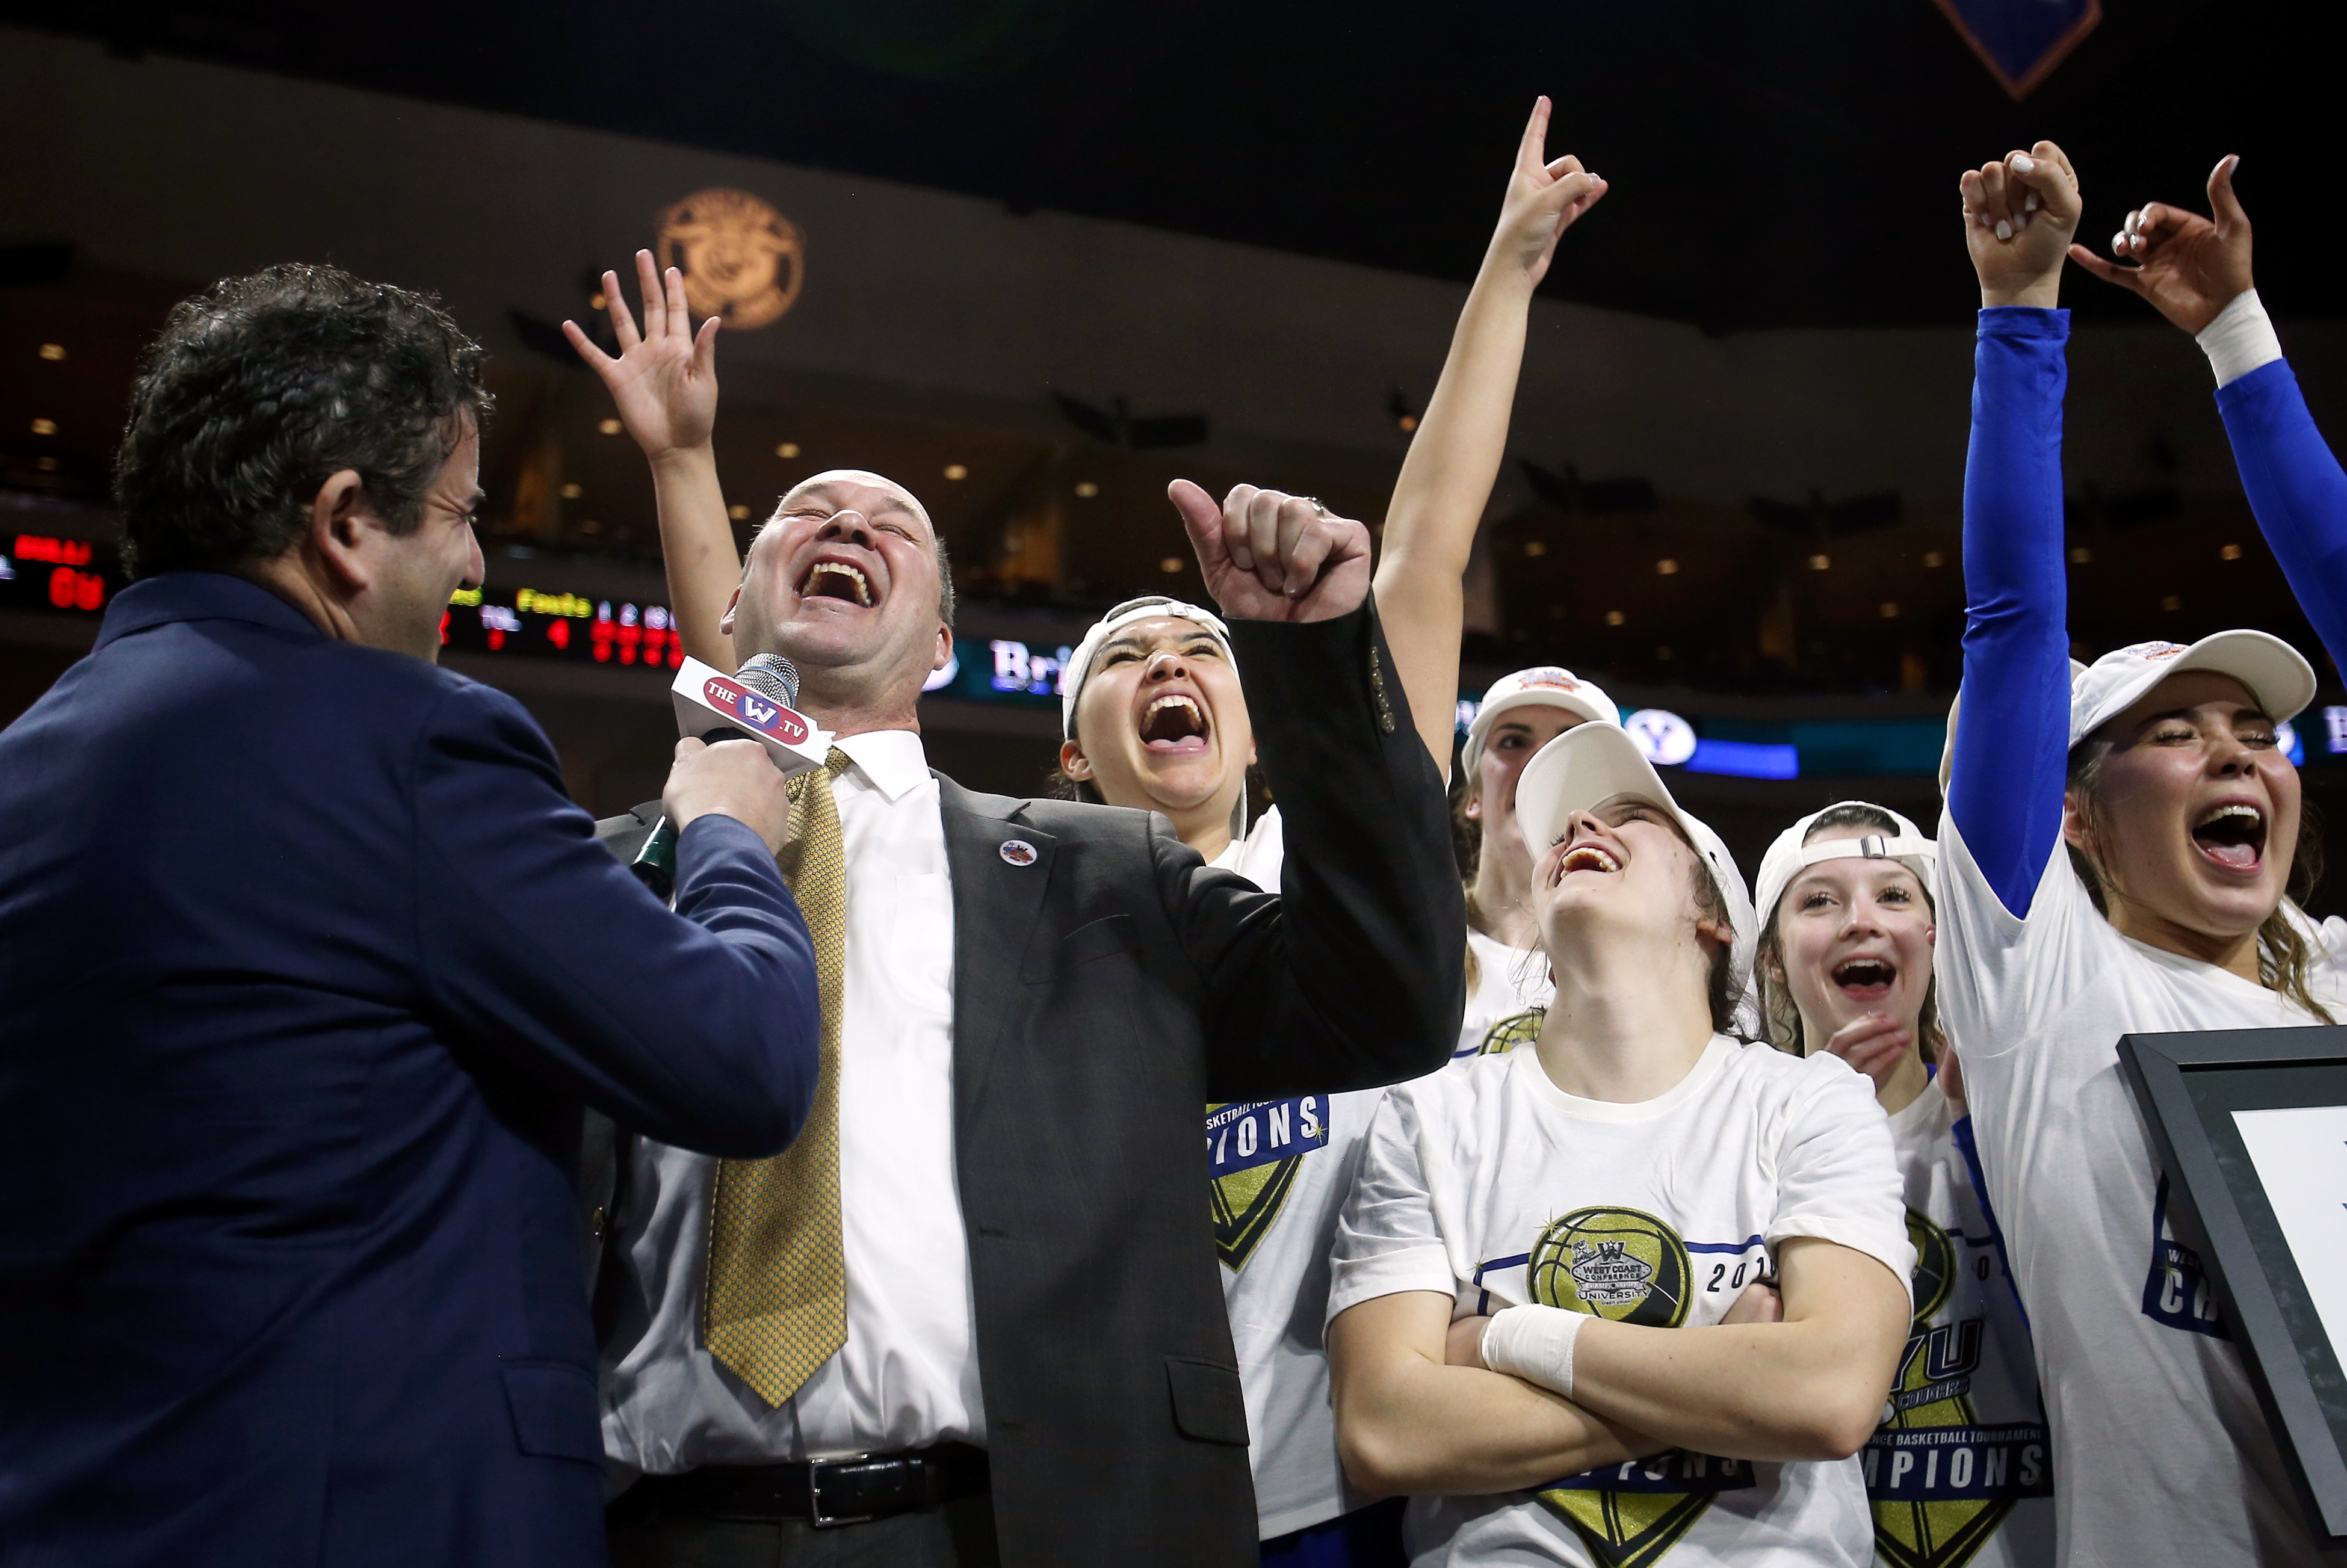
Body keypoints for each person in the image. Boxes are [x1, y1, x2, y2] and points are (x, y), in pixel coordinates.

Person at [569, 256, 1465, 1567]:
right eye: (807, 511)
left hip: (1018, 1531)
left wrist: (1315, 661)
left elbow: (1386, 1003)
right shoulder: (597, 873)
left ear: (940, 643)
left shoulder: (1111, 876)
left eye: (895, 527)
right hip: (656, 1533)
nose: (847, 525)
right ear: (730, 608)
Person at [0, 264, 823, 1568]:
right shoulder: (405, 740)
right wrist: (727, 826)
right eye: (460, 514)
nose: (477, 559)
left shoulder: (27, 764)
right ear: (343, 524)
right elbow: (740, 1058)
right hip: (373, 1513)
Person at [1940, 141, 2346, 1565]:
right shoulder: (2040, 984)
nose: (2238, 753)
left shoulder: (2342, 988)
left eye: (2256, 729)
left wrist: (2241, 336)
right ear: (2073, 811)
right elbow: (2011, 626)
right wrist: (2022, 308)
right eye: (2176, 733)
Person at [1327, 718, 1913, 1565]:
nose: (1577, 830)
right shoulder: (1430, 1117)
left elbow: (1827, 1396)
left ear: (1713, 914)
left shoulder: (1809, 1100)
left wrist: (1506, 1339)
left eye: (1632, 815)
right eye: (1561, 828)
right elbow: (1384, 1430)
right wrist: (1724, 1374)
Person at [1751, 804, 2053, 1567]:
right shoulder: (1730, 1150)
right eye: (1820, 900)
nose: (1861, 921)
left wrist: (1983, 1145)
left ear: (1936, 937)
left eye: (1894, 894)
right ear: (1774, 961)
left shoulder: (2012, 1124)